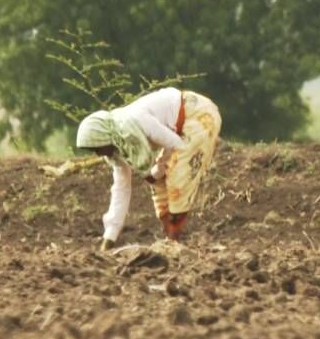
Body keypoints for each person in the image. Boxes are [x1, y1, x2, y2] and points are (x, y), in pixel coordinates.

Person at [76, 87, 221, 246]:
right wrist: (109, 237)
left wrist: (158, 169)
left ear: (103, 137)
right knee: (157, 184)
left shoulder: (136, 120)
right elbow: (121, 189)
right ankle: (172, 240)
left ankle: (173, 242)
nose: (98, 154)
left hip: (198, 115)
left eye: (97, 148)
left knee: (177, 177)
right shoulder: (119, 145)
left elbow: (175, 144)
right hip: (177, 134)